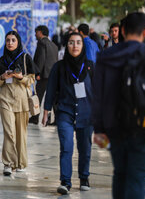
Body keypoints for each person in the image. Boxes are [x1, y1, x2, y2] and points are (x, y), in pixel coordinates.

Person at [93, 12, 145, 199]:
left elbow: (98, 95)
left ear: (123, 30)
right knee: (137, 178)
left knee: (120, 173)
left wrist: (99, 128)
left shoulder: (106, 56)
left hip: (114, 126)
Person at [42, 32, 94, 195]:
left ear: (82, 46)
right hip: (65, 111)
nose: (75, 46)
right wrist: (46, 110)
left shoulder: (91, 66)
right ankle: (65, 181)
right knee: (66, 147)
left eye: (78, 42)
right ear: (67, 46)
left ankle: (84, 177)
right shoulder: (59, 67)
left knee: (85, 148)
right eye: (71, 43)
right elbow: (50, 89)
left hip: (87, 113)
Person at [0, 31, 39, 176]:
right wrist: (2, 76)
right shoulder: (1, 60)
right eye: (8, 40)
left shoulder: (25, 58)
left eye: (13, 40)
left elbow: (32, 79)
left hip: (22, 100)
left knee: (21, 133)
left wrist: (21, 77)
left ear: (18, 42)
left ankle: (20, 163)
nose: (10, 43)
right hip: (6, 99)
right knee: (9, 132)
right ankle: (8, 164)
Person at [31, 25, 58, 124]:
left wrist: (38, 73)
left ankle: (34, 118)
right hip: (53, 75)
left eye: (36, 32)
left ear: (41, 32)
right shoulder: (54, 45)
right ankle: (57, 119)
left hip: (43, 75)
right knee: (54, 98)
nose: (35, 34)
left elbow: (41, 59)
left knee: (37, 97)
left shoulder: (42, 43)